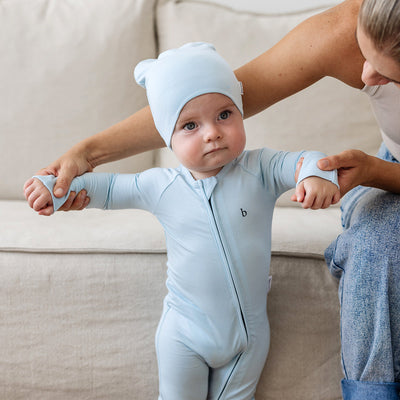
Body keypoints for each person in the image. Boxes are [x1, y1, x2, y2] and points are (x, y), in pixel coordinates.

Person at [26, 0, 400, 398]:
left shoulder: (260, 168)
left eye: (225, 116)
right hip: (183, 333)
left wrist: (315, 174)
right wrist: (64, 180)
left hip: (247, 338)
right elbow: (108, 188)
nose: (365, 76)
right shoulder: (161, 184)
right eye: (189, 125)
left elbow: (305, 161)